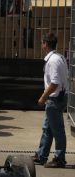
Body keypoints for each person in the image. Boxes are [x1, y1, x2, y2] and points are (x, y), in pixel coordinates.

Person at [32, 32, 68, 168]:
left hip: (54, 99)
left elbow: (54, 83)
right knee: (47, 128)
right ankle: (41, 154)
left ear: (45, 44)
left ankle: (59, 158)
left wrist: (43, 97)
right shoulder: (59, 57)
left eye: (42, 43)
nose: (41, 45)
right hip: (58, 98)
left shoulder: (53, 60)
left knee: (57, 130)